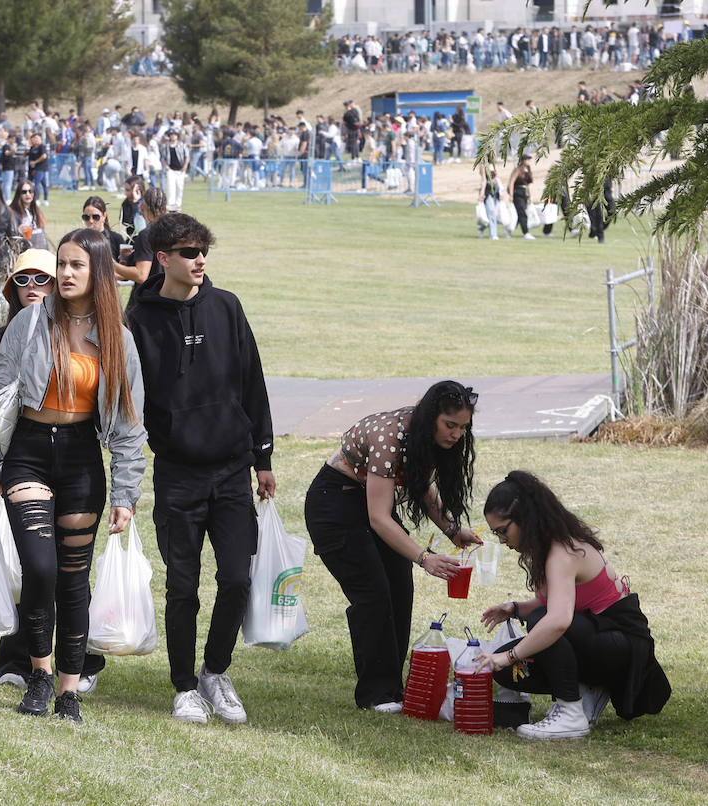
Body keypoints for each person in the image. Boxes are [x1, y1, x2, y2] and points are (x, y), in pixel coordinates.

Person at [0, 228, 147, 724]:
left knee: (73, 580)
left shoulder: (117, 338)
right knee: (39, 569)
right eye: (60, 265)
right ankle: (38, 674)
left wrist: (126, 494)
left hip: (82, 458)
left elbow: (130, 425)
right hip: (29, 451)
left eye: (74, 266)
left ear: (98, 273)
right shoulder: (28, 322)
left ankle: (68, 690)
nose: (63, 274)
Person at [125, 212, 275, 725]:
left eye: (203, 251)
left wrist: (264, 458)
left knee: (236, 577)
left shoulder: (227, 307)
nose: (200, 260)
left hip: (232, 469)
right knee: (182, 586)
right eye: (189, 253)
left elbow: (253, 382)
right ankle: (185, 686)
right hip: (177, 474)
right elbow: (131, 396)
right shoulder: (139, 319)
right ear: (162, 258)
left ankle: (216, 671)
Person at [303, 380, 483, 711]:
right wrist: (424, 557)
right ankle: (376, 694)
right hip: (333, 502)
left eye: (462, 427)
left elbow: (421, 485)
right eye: (450, 425)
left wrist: (452, 528)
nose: (456, 434)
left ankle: (391, 686)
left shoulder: (424, 438)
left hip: (365, 501)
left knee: (399, 584)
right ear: (432, 417)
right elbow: (379, 519)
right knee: (372, 591)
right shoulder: (390, 435)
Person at [476, 471, 670, 739]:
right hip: (600, 639)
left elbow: (558, 621)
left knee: (534, 631)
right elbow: (561, 605)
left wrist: (508, 656)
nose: (501, 540)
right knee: (507, 672)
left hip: (625, 649)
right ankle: (587, 689)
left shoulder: (562, 552)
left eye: (502, 531)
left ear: (525, 519)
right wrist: (515, 608)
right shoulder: (549, 547)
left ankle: (571, 713)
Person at [79, 196, 127, 263]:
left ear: (104, 216)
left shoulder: (117, 238)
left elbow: (126, 267)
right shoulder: (79, 239)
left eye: (95, 217)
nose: (91, 221)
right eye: (86, 217)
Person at [7, 179, 46, 250]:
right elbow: (9, 235)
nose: (28, 194)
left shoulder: (37, 211)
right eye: (24, 192)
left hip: (38, 250)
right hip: (21, 250)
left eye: (30, 191)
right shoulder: (12, 212)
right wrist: (18, 231)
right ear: (19, 194)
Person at [511, 155, 535, 240]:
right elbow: (511, 182)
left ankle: (510, 229)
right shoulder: (517, 170)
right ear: (523, 160)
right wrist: (511, 195)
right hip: (517, 193)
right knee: (522, 213)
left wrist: (531, 196)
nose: (529, 161)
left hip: (525, 193)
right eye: (527, 159)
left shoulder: (528, 170)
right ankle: (526, 232)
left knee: (520, 214)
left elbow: (530, 184)